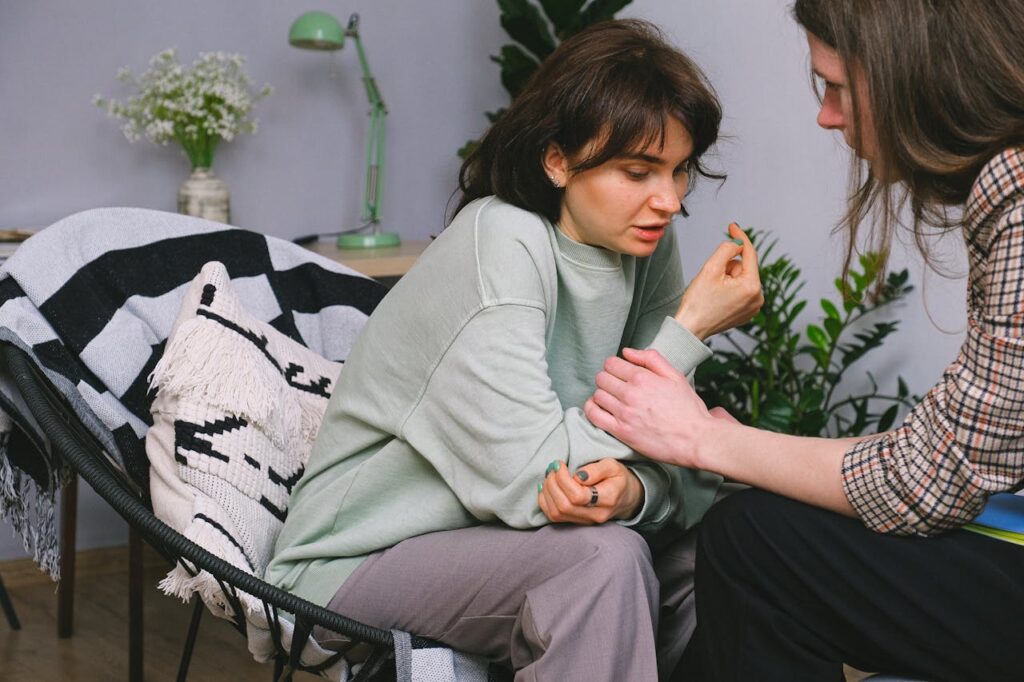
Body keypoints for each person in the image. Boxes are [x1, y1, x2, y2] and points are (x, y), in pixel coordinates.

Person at [265, 19, 763, 680]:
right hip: (357, 563)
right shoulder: (500, 241)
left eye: (678, 172)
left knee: (749, 538)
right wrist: (690, 330)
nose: (668, 200)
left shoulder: (644, 245)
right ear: (558, 159)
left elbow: (680, 451)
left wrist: (634, 493)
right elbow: (534, 485)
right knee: (600, 564)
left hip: (509, 544)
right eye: (639, 171)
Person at [583, 1, 1024, 680]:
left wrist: (704, 439)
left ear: (915, 73)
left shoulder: (1016, 196)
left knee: (752, 540)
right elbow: (953, 450)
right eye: (638, 173)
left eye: (839, 87)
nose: (826, 115)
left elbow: (933, 478)